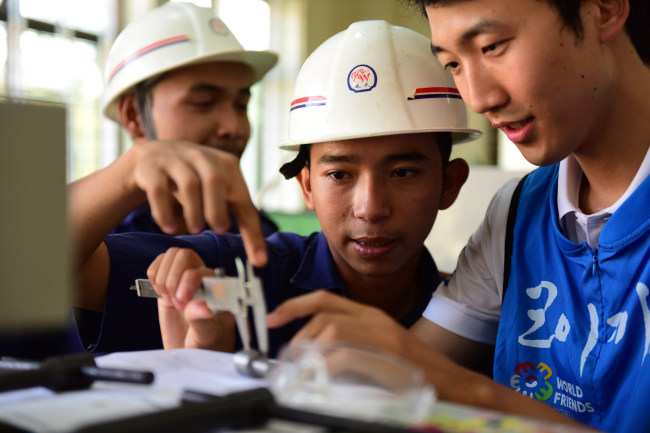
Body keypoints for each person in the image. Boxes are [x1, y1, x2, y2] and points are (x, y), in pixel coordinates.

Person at [265, 0, 650, 431]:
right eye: (451, 64)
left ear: (604, 9)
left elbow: (428, 371)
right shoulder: (519, 211)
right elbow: (393, 376)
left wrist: (468, 390)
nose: (479, 98)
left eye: (492, 46)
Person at [76, 20, 480, 357]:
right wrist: (130, 171)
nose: (370, 208)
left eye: (404, 173)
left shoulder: (480, 311)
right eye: (339, 175)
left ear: (451, 183)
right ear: (306, 186)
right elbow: (30, 266)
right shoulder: (237, 270)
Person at [68, 2, 278, 352]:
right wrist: (130, 169)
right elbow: (24, 260)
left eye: (241, 105)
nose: (234, 127)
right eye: (203, 103)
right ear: (134, 115)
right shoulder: (94, 238)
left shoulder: (260, 234)